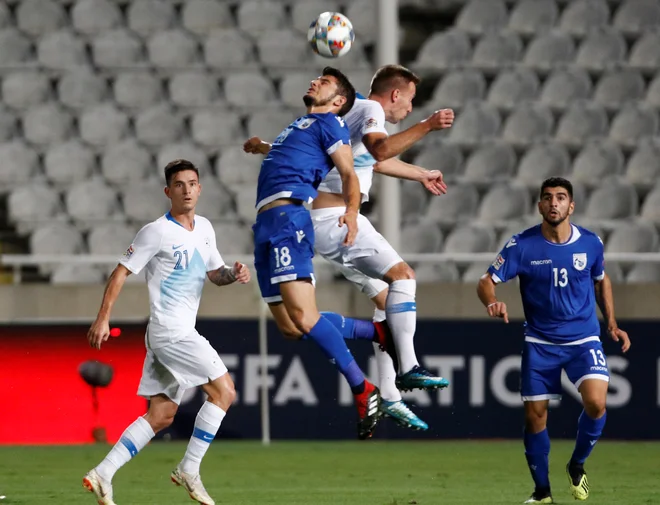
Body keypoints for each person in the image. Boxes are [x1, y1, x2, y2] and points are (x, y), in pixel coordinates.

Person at [245, 64, 454, 432]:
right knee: (401, 278)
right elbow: (378, 149)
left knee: (324, 318)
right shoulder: (363, 112)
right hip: (330, 218)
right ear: (395, 94)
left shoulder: (344, 116)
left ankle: (386, 391)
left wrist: (420, 173)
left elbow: (366, 160)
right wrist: (428, 124)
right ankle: (405, 368)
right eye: (410, 101)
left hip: (307, 219)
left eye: (323, 81)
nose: (409, 109)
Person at [82, 159, 251, 505]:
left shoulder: (204, 228)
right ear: (168, 191)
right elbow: (120, 273)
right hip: (170, 331)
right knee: (225, 391)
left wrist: (233, 274)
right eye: (179, 185)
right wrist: (103, 318)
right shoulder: (155, 231)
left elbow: (215, 274)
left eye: (192, 183)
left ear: (200, 189)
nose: (187, 190)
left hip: (172, 333)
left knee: (161, 415)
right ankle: (189, 468)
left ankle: (103, 474)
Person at [250, 66, 386, 440]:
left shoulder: (332, 126)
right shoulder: (299, 125)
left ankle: (363, 389)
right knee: (291, 329)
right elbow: (295, 158)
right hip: (265, 226)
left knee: (305, 318)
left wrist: (353, 213)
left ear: (338, 101)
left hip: (289, 219)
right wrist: (263, 147)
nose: (314, 82)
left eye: (324, 83)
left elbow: (348, 173)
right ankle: (376, 331)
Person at [476, 177, 631, 504]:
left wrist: (612, 324)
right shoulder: (522, 245)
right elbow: (486, 280)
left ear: (571, 206)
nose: (554, 203)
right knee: (535, 416)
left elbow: (601, 282)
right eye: (547, 198)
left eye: (561, 198)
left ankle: (577, 464)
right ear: (540, 206)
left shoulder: (591, 243)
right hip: (540, 342)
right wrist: (491, 300)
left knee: (597, 402)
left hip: (584, 339)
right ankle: (542, 492)